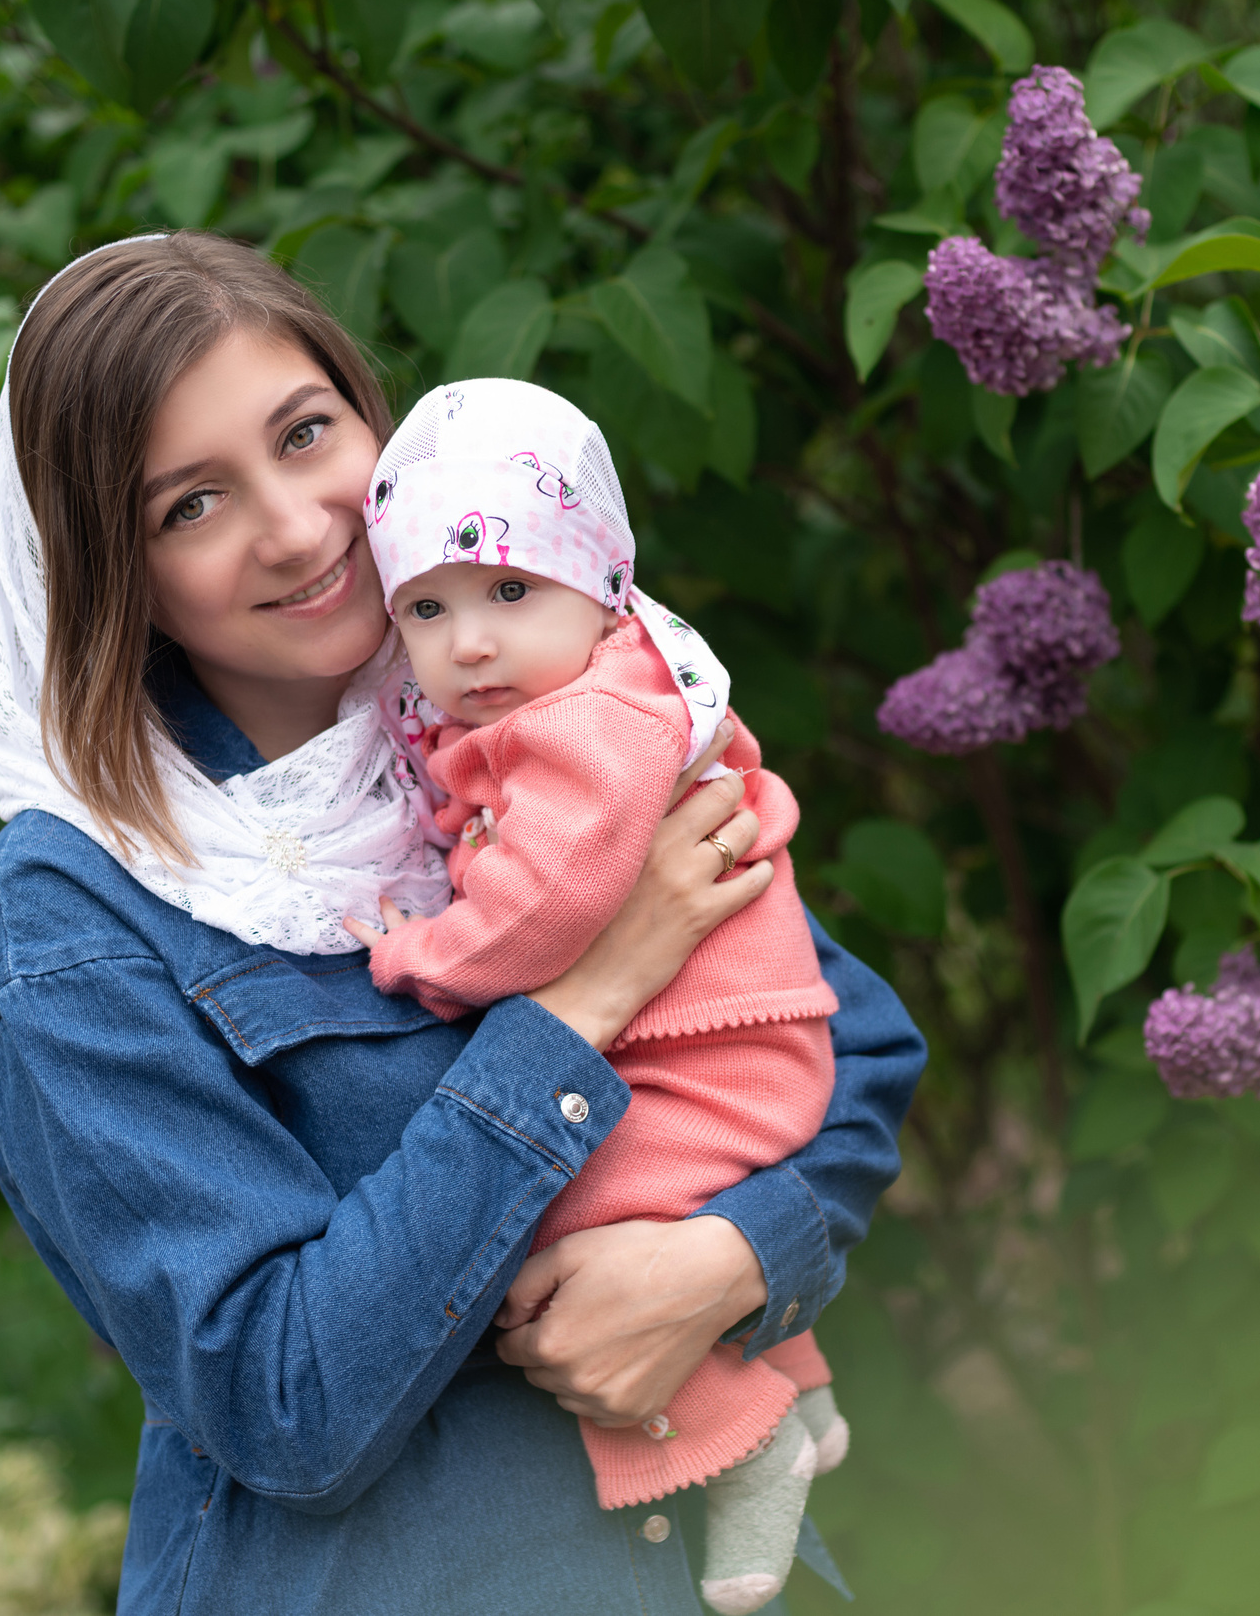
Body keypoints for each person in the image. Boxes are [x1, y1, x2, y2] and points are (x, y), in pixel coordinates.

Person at [0, 231, 924, 1615]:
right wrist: (577, 1007)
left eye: (306, 433)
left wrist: (729, 1260)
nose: (298, 527)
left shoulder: (531, 699)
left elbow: (854, 1044)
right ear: (115, 568)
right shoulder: (76, 907)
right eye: (192, 505)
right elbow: (285, 1403)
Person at [347, 380, 849, 1613]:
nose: (470, 643)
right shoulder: (590, 690)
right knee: (657, 1199)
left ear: (600, 585)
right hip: (716, 1038)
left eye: (511, 592)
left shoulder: (593, 722)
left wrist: (420, 954)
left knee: (568, 1219)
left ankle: (745, 1442)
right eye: (427, 608)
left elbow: (545, 909)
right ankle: (803, 1389)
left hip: (711, 1047)